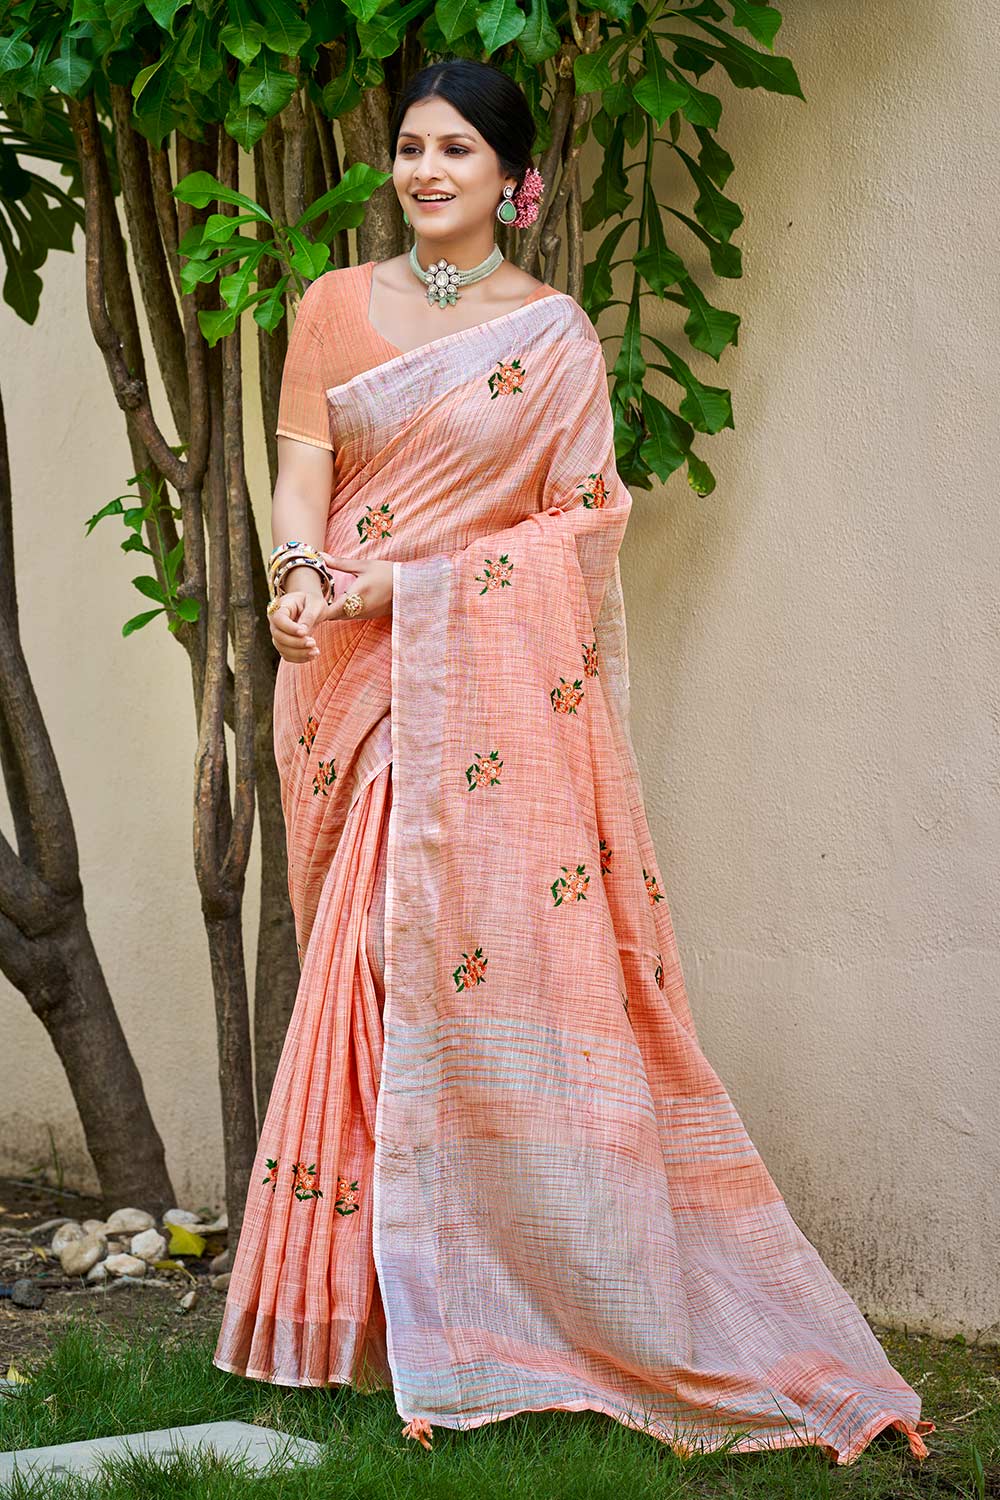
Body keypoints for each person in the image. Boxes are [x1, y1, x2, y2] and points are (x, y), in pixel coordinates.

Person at [211, 57, 934, 1467]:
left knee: (416, 957)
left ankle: (489, 1309)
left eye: (457, 152)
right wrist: (299, 573)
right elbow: (301, 469)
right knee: (363, 973)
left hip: (459, 690)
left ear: (513, 181)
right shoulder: (331, 305)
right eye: (411, 148)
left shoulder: (549, 341)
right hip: (344, 675)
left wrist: (412, 586)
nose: (427, 172)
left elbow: (583, 526)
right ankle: (359, 1318)